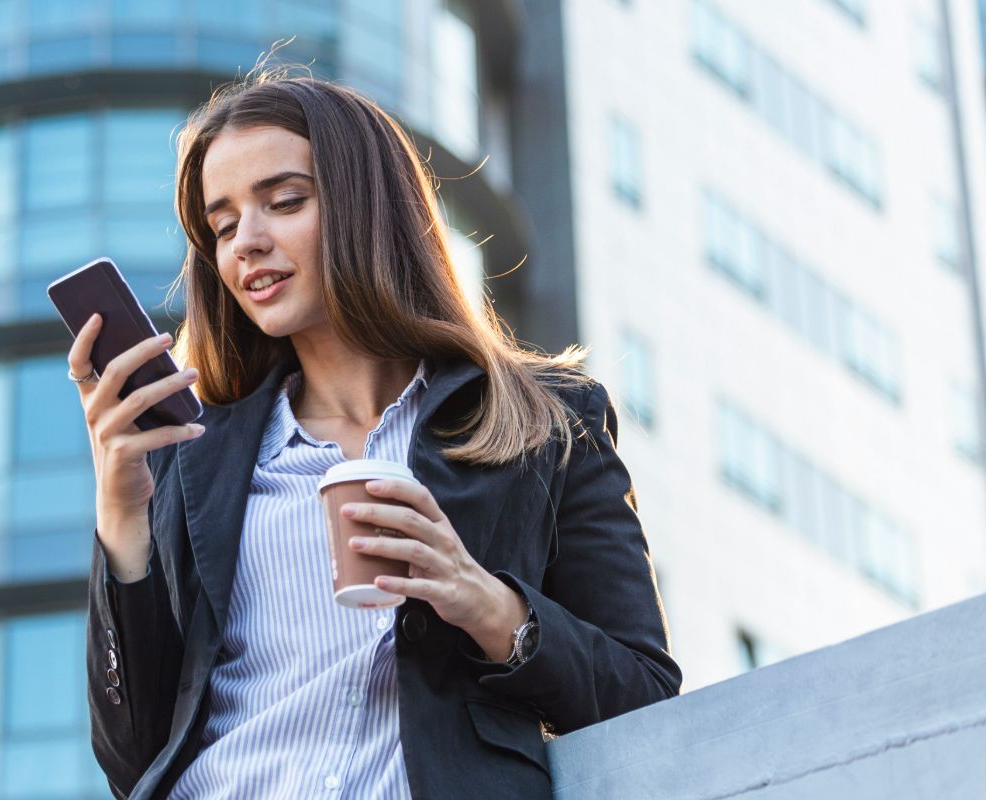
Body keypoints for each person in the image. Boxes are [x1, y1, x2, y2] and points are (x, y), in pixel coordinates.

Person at [65, 67, 681, 799]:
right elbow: (133, 756)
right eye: (222, 225)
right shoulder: (194, 458)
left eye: (284, 201)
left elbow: (642, 695)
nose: (246, 244)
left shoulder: (547, 422)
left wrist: (484, 602)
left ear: (367, 205)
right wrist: (120, 518)